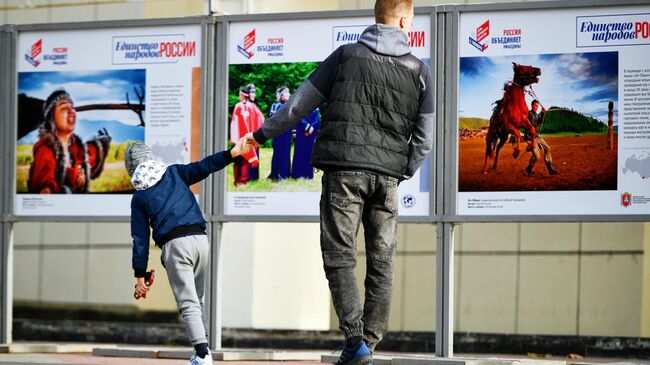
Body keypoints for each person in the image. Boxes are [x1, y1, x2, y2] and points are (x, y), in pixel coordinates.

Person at [245, 1, 434, 364]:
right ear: (406, 19)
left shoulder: (345, 55)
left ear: (376, 17)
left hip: (343, 172)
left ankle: (355, 340)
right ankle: (369, 345)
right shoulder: (419, 70)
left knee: (339, 255)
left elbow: (298, 105)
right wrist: (401, 169)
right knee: (382, 260)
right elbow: (425, 139)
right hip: (387, 179)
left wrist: (261, 134)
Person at [125, 138, 249, 365]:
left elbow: (140, 238)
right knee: (196, 300)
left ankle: (202, 355)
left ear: (131, 169)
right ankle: (204, 350)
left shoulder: (139, 197)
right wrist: (231, 154)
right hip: (201, 240)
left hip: (176, 245)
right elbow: (204, 167)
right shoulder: (173, 173)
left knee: (188, 303)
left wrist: (139, 273)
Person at [28, 89, 111, 194]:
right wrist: (72, 183)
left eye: (72, 107)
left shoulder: (75, 146)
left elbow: (90, 154)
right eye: (64, 107)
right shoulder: (45, 152)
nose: (71, 111)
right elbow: (43, 199)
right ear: (51, 117)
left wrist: (102, 142)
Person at [230, 85, 263, 186]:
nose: (239, 96)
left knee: (244, 159)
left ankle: (241, 181)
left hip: (245, 137)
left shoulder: (248, 107)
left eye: (240, 94)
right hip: (242, 137)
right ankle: (239, 181)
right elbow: (235, 122)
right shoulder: (240, 106)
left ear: (244, 95)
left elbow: (259, 119)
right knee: (239, 159)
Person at [525, 99, 559, 177]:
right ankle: (528, 169)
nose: (536, 107)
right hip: (530, 138)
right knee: (537, 156)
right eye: (535, 105)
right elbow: (526, 123)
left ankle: (550, 169)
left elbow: (541, 121)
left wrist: (543, 113)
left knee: (547, 148)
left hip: (537, 137)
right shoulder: (528, 114)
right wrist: (529, 140)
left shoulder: (536, 115)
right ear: (532, 105)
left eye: (537, 106)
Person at [268, 86, 292, 181]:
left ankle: (284, 174)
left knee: (285, 153)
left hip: (287, 134)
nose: (289, 94)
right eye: (286, 93)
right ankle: (276, 174)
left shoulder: (289, 105)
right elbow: (273, 119)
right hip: (279, 134)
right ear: (282, 96)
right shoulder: (277, 105)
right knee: (278, 153)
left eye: (289, 92)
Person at [290, 108, 320, 179]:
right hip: (301, 134)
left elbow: (317, 120)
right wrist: (307, 127)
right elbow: (298, 118)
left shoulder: (315, 109)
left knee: (308, 154)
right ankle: (297, 175)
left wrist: (311, 128)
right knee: (299, 154)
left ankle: (308, 175)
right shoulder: (301, 106)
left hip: (311, 135)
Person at [245, 84, 264, 181]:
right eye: (252, 92)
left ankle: (254, 177)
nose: (254, 94)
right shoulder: (246, 106)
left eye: (254, 92)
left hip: (256, 135)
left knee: (255, 154)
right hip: (249, 135)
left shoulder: (253, 105)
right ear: (247, 94)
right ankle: (249, 176)